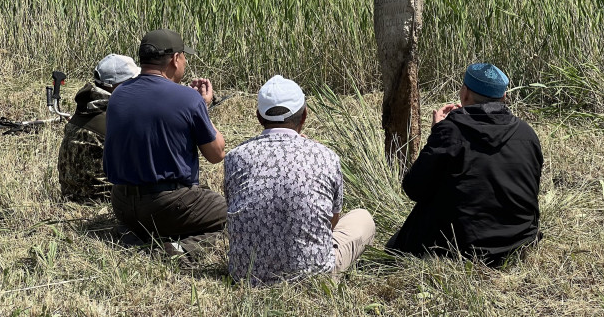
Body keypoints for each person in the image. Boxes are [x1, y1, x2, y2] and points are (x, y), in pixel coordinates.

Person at [386, 63, 543, 266]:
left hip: (464, 248)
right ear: (503, 97)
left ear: (465, 93)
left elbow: (414, 188)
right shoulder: (527, 134)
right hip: (519, 242)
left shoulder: (450, 133)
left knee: (393, 247)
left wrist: (438, 132)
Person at [223, 75, 375, 284]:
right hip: (314, 276)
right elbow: (332, 221)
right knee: (363, 217)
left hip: (245, 275)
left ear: (259, 117)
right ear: (304, 116)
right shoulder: (326, 156)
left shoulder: (234, 157)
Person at [103, 29, 227, 258]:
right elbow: (216, 153)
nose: (186, 62)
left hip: (122, 204)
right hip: (167, 206)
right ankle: (179, 249)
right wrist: (202, 107)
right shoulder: (188, 99)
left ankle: (132, 235)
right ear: (174, 59)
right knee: (237, 217)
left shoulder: (118, 94)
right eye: (184, 56)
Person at [57, 54, 140, 202]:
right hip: (103, 198)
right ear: (115, 85)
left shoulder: (86, 106)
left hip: (70, 195)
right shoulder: (115, 115)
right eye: (133, 80)